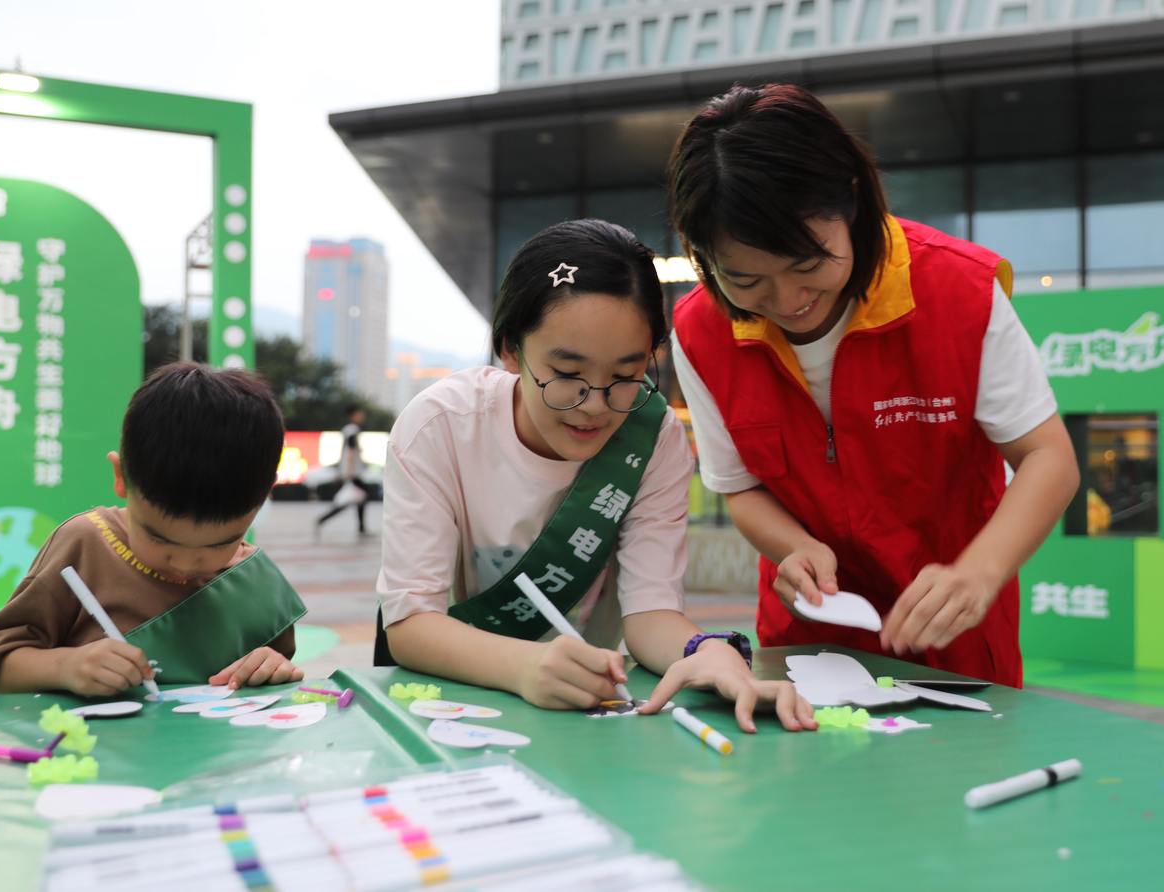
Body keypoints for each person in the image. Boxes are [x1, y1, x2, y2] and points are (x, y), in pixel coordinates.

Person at [669, 84, 1079, 687]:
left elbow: (1049, 457)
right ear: (704, 256)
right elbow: (742, 488)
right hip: (805, 652)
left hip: (955, 640)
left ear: (851, 203)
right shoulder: (701, 333)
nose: (788, 302)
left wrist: (978, 574)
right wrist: (791, 547)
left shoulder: (956, 293)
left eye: (808, 264)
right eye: (748, 279)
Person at [376, 219, 816, 732]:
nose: (594, 406)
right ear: (510, 349)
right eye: (567, 375)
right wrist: (523, 666)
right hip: (444, 706)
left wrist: (706, 652)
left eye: (626, 376)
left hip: (581, 714)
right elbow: (410, 625)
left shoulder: (654, 440)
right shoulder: (440, 426)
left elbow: (651, 615)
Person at [0, 362, 307, 696]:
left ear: (264, 497)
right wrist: (65, 667)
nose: (187, 565)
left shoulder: (254, 580)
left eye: (222, 543)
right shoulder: (84, 545)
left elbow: (277, 667)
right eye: (159, 539)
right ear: (120, 477)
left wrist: (270, 665)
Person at [315, 402, 371, 538]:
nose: (362, 415)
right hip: (352, 473)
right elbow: (350, 452)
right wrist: (348, 472)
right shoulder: (352, 430)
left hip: (350, 472)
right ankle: (322, 519)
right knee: (350, 500)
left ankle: (361, 528)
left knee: (359, 498)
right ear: (354, 414)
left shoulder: (348, 429)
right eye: (360, 413)